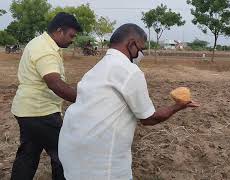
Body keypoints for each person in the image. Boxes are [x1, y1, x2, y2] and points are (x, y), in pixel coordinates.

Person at [58, 23, 199, 180]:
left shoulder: (97, 68)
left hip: (71, 150)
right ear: (132, 44)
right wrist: (178, 106)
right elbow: (149, 118)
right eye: (141, 49)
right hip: (100, 162)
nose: (141, 54)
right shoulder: (129, 70)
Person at [10, 12, 82, 180]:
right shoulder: (45, 50)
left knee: (28, 154)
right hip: (40, 112)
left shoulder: (40, 43)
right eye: (71, 35)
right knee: (64, 154)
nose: (73, 40)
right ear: (59, 31)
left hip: (27, 111)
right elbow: (55, 84)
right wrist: (86, 100)